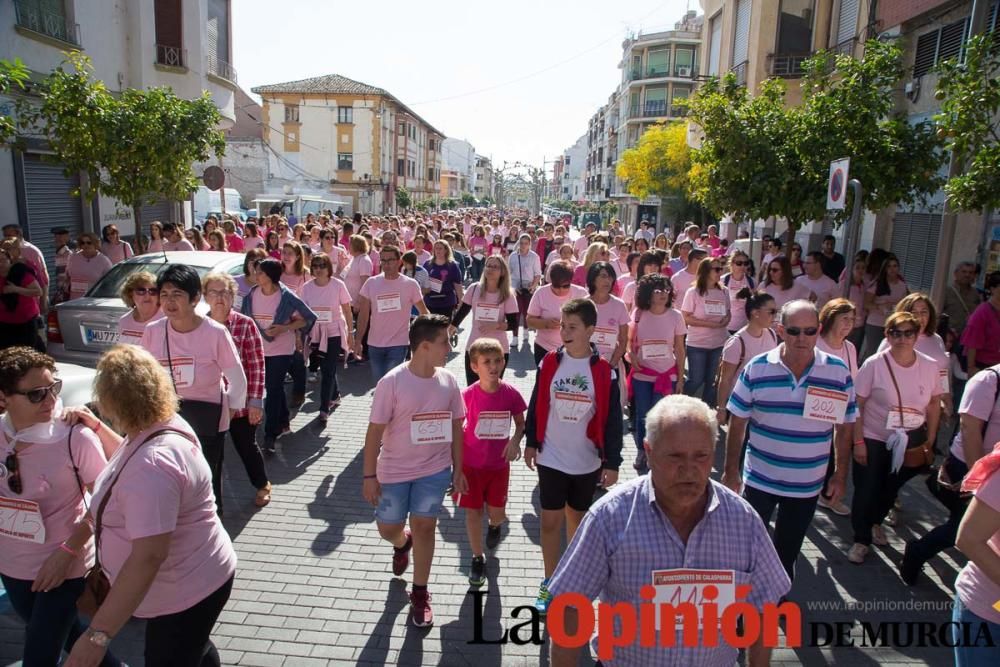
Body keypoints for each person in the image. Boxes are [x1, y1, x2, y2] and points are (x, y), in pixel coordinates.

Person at [547, 395, 791, 666]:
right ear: (649, 452)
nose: (689, 469)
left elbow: (764, 606)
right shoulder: (610, 518)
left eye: (701, 456)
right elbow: (570, 607)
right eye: (675, 456)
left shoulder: (744, 522)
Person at [63, 345, 236, 667]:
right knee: (195, 647)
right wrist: (99, 428)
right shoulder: (161, 425)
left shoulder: (153, 467)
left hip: (182, 592)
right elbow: (127, 461)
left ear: (114, 402)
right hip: (196, 580)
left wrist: (98, 636)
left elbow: (148, 556)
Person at [0, 347, 122, 667]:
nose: (51, 400)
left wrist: (66, 553)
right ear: (4, 398)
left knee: (39, 654)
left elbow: (105, 502)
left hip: (65, 567)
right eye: (37, 394)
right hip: (13, 565)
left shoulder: (75, 437)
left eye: (54, 388)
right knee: (66, 635)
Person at [724, 300, 856, 580]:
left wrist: (840, 475)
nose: (802, 338)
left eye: (810, 331)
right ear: (781, 330)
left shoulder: (837, 371)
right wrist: (730, 471)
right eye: (794, 331)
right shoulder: (757, 368)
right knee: (748, 549)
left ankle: (776, 602)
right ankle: (744, 605)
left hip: (806, 484)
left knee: (787, 551)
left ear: (819, 330)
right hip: (760, 478)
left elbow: (844, 429)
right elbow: (737, 422)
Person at [361, 315, 468, 628]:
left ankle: (420, 592)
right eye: (444, 342)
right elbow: (374, 433)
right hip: (393, 472)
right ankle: (400, 543)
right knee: (387, 528)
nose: (449, 348)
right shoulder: (392, 383)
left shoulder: (448, 381)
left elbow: (457, 427)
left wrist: (458, 468)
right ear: (424, 346)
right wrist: (369, 476)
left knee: (425, 526)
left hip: (433, 471)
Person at [524, 298, 623, 614]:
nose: (564, 332)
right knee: (550, 522)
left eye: (572, 327)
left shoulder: (605, 372)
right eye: (563, 326)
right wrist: (530, 440)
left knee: (577, 523)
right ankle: (550, 583)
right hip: (551, 455)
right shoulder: (550, 363)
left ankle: (574, 581)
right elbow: (537, 401)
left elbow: (611, 420)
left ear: (590, 330)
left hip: (586, 461)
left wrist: (613, 461)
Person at [140, 264, 247, 515]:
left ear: (195, 298)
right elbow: (144, 379)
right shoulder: (153, 332)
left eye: (177, 294)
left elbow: (237, 381)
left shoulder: (215, 332)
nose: (169, 302)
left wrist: (228, 412)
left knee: (207, 484)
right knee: (170, 484)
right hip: (166, 422)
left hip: (208, 423)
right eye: (164, 295)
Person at [847, 311, 943, 563]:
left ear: (917, 335)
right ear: (887, 335)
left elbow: (934, 404)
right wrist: (858, 442)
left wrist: (931, 439)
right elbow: (857, 403)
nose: (902, 339)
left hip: (910, 438)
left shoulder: (929, 366)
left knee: (890, 489)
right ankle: (861, 538)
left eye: (908, 333)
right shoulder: (874, 364)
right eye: (895, 333)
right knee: (867, 488)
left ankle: (876, 522)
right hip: (873, 435)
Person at [902, 362, 1000, 585]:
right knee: (964, 528)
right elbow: (969, 431)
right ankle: (917, 552)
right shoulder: (988, 381)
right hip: (968, 468)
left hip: (995, 475)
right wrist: (978, 482)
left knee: (976, 529)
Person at [456, 338, 526, 587]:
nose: (494, 366)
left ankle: (495, 526)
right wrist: (456, 470)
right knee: (473, 512)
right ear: (475, 366)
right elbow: (455, 432)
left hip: (498, 468)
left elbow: (521, 423)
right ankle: (477, 558)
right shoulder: (466, 396)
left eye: (498, 360)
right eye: (487, 362)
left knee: (497, 514)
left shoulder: (511, 394)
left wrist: (516, 441)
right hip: (471, 466)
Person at [203, 271, 272, 508]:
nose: (220, 298)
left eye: (225, 292)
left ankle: (262, 484)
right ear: (205, 296)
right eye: (214, 292)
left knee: (246, 447)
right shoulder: (200, 325)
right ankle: (213, 504)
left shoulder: (245, 324)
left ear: (233, 297)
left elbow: (256, 365)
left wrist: (255, 402)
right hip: (210, 403)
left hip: (240, 404)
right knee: (213, 456)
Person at [241, 258, 317, 454]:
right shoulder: (251, 295)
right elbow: (244, 319)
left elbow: (308, 318)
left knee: (273, 388)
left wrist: (285, 328)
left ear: (270, 276)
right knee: (273, 389)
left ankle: (270, 435)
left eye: (260, 273)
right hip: (258, 350)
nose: (256, 275)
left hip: (281, 350)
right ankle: (283, 421)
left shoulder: (287, 298)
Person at [629, 273, 687, 474]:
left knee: (661, 418)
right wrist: (632, 357)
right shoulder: (638, 314)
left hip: (666, 375)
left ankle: (657, 454)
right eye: (658, 290)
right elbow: (629, 342)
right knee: (643, 416)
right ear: (647, 293)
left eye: (666, 290)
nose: (663, 294)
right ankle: (641, 451)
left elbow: (680, 349)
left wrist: (680, 378)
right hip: (642, 375)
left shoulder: (676, 316)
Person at [354, 245, 428, 381]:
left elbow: (424, 312)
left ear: (399, 261)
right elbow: (363, 315)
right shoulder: (371, 283)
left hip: (398, 343)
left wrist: (427, 337)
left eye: (390, 260)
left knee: (392, 382)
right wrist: (358, 340)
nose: (386, 264)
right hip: (374, 344)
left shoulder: (410, 284)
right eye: (383, 260)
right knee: (380, 383)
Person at [814, 298, 859, 516]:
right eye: (844, 319)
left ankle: (828, 495)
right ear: (831, 318)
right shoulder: (816, 343)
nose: (849, 324)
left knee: (837, 450)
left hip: (839, 407)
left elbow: (853, 378)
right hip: (814, 407)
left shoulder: (850, 348)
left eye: (852, 319)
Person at [301, 253, 354, 422]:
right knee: (325, 368)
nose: (318, 269)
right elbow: (303, 312)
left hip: (334, 332)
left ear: (328, 267)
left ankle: (324, 408)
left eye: (322, 265)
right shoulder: (307, 287)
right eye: (315, 266)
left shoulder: (338, 285)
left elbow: (347, 310)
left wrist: (351, 334)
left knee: (328, 370)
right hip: (315, 333)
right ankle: (336, 394)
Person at [450, 255, 518, 385]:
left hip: (498, 350)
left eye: (495, 267)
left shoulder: (508, 295)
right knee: (473, 388)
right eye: (488, 265)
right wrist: (449, 330)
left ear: (502, 271)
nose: (490, 269)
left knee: (493, 389)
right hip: (474, 348)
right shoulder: (474, 288)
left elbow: (513, 324)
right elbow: (461, 313)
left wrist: (496, 325)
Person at [716, 292, 778, 425]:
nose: (775, 316)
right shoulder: (736, 343)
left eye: (776, 311)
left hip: (763, 403)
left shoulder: (772, 334)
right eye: (771, 311)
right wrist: (721, 408)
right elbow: (725, 379)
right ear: (755, 313)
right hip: (740, 405)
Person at [680, 256, 731, 407]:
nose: (719, 272)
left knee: (711, 380)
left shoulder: (724, 291)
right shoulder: (693, 292)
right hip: (697, 344)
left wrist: (726, 320)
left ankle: (707, 413)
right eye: (716, 269)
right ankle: (680, 404)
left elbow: (728, 312)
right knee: (696, 379)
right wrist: (711, 324)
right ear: (706, 271)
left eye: (721, 268)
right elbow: (686, 318)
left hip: (718, 343)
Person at [526, 262, 589, 367]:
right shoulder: (541, 293)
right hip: (545, 348)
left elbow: (590, 320)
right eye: (556, 286)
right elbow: (529, 320)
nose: (560, 290)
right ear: (551, 281)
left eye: (565, 286)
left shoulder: (581, 294)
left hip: (574, 349)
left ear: (571, 281)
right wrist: (546, 324)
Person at [862, 253, 909, 361]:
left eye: (895, 266)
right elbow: (866, 303)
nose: (892, 269)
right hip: (875, 324)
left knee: (888, 355)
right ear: (885, 269)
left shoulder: (902, 285)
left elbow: (905, 304)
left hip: (893, 325)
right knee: (873, 354)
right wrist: (880, 306)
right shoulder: (877, 284)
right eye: (889, 266)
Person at [0, 244, 44, 351]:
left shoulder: (20, 272)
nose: (0, 263)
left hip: (25, 321)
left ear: (9, 260)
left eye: (3, 259)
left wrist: (16, 289)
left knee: (28, 352)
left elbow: (38, 291)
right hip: (4, 322)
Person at [585, 261, 628, 368]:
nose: (608, 280)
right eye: (603, 276)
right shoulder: (583, 305)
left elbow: (623, 340)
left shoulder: (619, 305)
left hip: (611, 365)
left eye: (611, 277)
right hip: (585, 365)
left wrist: (611, 364)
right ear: (593, 278)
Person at [961, 271, 1000, 376]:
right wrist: (971, 368)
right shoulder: (982, 311)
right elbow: (972, 343)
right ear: (992, 289)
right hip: (982, 366)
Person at [508, 234, 542, 348]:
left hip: (528, 287)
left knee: (527, 312)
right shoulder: (513, 256)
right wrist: (512, 286)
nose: (523, 245)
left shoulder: (534, 257)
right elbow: (509, 272)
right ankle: (515, 337)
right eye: (521, 243)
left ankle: (526, 331)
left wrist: (532, 286)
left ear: (529, 244)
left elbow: (538, 274)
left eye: (526, 243)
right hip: (515, 287)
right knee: (515, 313)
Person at [762, 255, 813, 326]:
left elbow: (813, 297)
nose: (771, 272)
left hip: (787, 329)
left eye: (775, 270)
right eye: (770, 269)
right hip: (767, 328)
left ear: (784, 271)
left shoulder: (797, 286)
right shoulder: (764, 285)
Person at [116, 271, 162, 346]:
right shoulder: (124, 321)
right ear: (130, 294)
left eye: (153, 291)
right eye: (141, 291)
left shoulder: (167, 320)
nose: (147, 296)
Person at [423, 240, 464, 323]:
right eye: (436, 248)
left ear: (446, 250)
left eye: (440, 248)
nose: (438, 250)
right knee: (431, 327)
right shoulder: (427, 264)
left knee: (444, 327)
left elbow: (457, 285)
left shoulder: (453, 265)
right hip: (430, 301)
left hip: (447, 301)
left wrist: (461, 302)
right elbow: (422, 282)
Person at [66, 232, 113, 300]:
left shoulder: (104, 261)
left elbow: (110, 283)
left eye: (89, 242)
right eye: (83, 243)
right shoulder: (73, 257)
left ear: (95, 243)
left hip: (94, 301)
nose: (85, 245)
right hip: (74, 301)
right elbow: (68, 276)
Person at [940, 261, 980, 339]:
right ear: (956, 273)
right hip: (948, 338)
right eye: (964, 272)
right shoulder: (946, 291)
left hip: (967, 338)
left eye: (970, 272)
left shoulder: (976, 294)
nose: (967, 275)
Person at [721, 249, 755, 333]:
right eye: (739, 263)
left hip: (745, 327)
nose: (743, 266)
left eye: (746, 263)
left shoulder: (752, 281)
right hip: (726, 326)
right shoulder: (724, 280)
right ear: (732, 264)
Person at [52, 227, 73, 303]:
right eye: (56, 236)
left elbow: (67, 275)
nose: (58, 239)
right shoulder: (59, 253)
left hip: (67, 291)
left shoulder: (68, 253)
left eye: (61, 236)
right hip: (62, 290)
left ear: (67, 236)